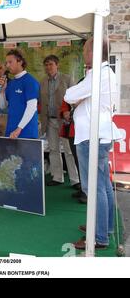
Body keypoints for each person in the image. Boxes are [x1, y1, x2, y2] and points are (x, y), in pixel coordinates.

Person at [64, 37, 120, 250]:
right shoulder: (105, 73)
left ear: (94, 53)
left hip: (91, 137)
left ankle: (99, 237)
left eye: (86, 50)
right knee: (103, 185)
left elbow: (70, 95)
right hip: (99, 135)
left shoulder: (98, 75)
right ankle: (104, 228)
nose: (84, 54)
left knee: (94, 187)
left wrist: (78, 97)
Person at [39, 55, 80, 188]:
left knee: (68, 151)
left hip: (64, 121)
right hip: (49, 121)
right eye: (46, 65)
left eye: (51, 64)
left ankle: (75, 180)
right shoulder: (43, 81)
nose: (48, 67)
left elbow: (75, 98)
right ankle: (57, 177)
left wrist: (69, 112)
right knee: (53, 149)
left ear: (57, 65)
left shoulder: (67, 79)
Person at [0, 49, 39, 139]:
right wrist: (2, 91)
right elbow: (2, 106)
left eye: (10, 62)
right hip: (11, 130)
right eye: (6, 63)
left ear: (20, 62)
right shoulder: (11, 83)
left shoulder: (30, 81)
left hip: (26, 132)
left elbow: (31, 108)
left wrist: (19, 129)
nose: (7, 65)